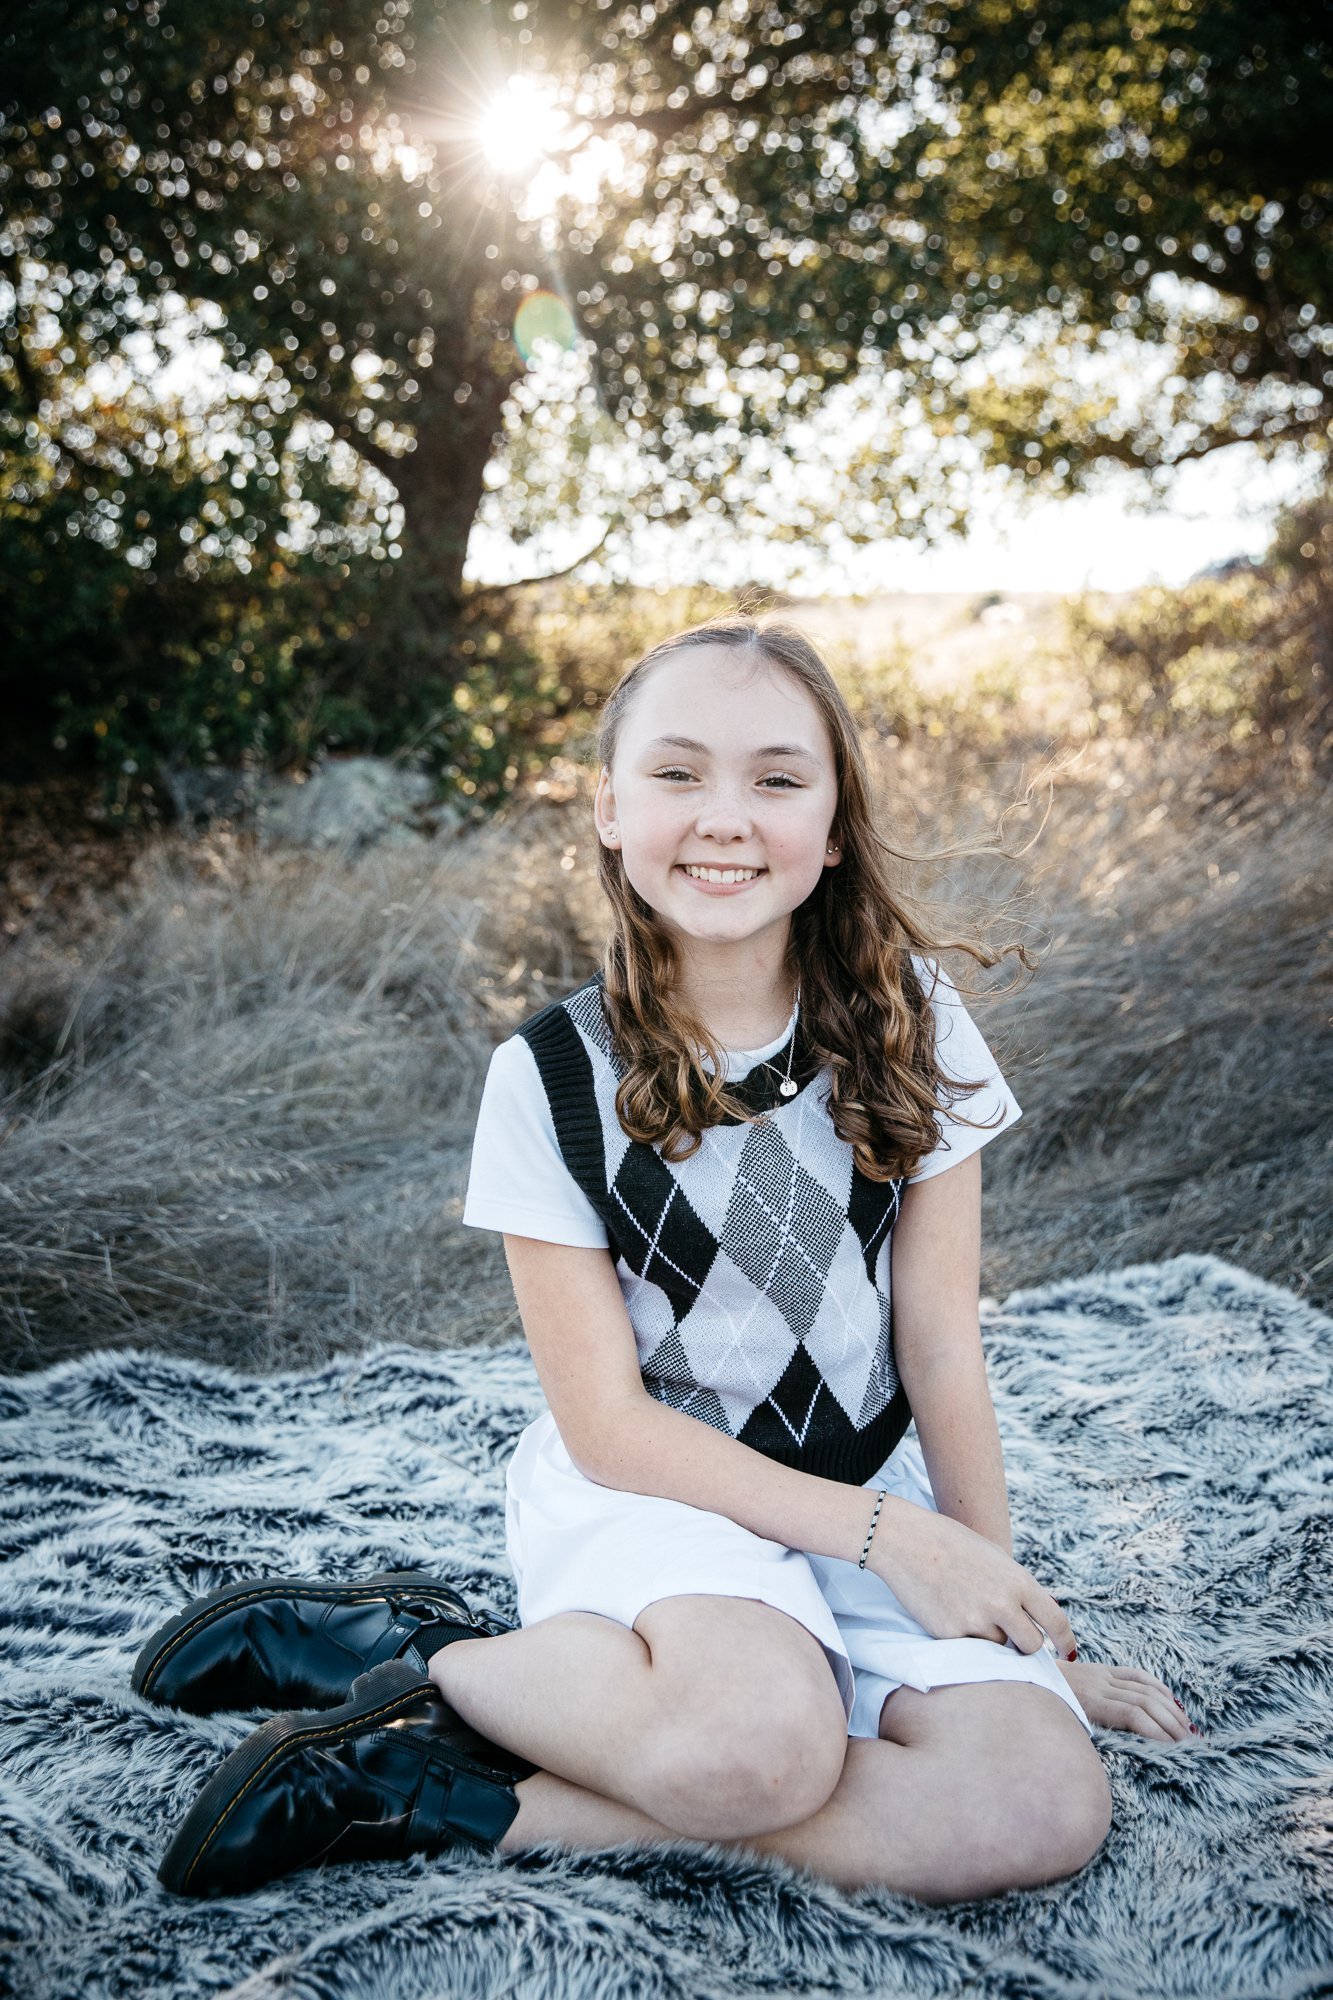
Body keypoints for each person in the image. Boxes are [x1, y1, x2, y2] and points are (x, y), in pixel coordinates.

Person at [137, 616, 1200, 1905]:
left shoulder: (919, 1026)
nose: (725, 819)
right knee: (760, 1751)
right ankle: (440, 1660)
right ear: (608, 807)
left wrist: (1003, 1616)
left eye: (777, 778)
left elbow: (939, 1344)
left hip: (862, 1485)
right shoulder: (548, 1078)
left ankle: (459, 1788)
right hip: (658, 1496)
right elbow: (609, 1428)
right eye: (679, 773)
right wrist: (882, 1539)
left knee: (1037, 1806)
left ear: (837, 819)